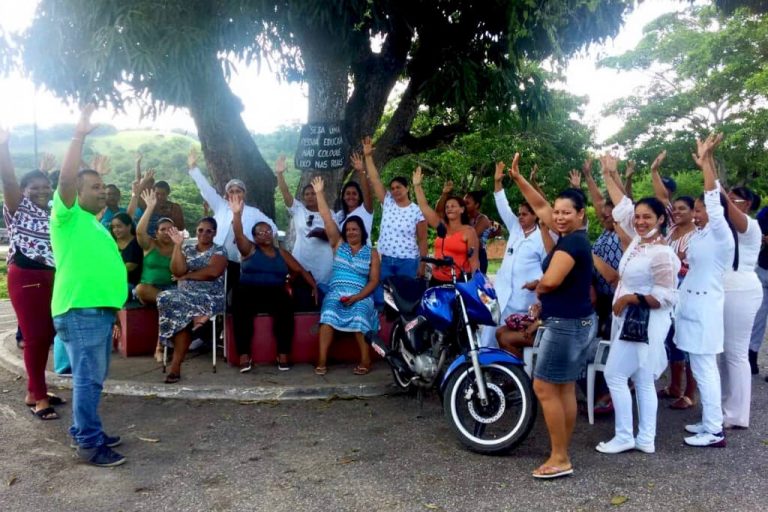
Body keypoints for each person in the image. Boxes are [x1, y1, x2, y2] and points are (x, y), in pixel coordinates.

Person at [507, 153, 595, 479]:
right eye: (556, 212)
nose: (557, 217)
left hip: (565, 326)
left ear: (580, 214)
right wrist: (518, 179)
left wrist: (539, 286)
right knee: (564, 388)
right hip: (576, 322)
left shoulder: (572, 245)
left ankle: (560, 457)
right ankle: (562, 451)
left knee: (544, 387)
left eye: (565, 213)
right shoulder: (570, 236)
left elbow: (552, 281)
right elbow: (541, 206)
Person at [50, 105, 128, 466]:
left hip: (95, 311)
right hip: (82, 310)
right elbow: (66, 182)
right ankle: (88, 443)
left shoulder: (91, 221)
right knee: (88, 380)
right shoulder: (66, 216)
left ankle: (86, 430)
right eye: (94, 187)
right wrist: (78, 136)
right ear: (75, 193)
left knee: (92, 379)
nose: (103, 191)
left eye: (103, 186)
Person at [592, 154, 680, 454]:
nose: (640, 221)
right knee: (642, 379)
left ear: (660, 220)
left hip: (641, 324)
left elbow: (666, 295)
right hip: (628, 320)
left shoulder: (662, 253)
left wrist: (630, 298)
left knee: (615, 375)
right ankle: (645, 439)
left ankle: (625, 435)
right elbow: (622, 206)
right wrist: (608, 173)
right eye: (638, 217)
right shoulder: (637, 242)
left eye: (647, 218)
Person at [674, 134, 735, 448]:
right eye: (694, 209)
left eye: (700, 210)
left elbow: (714, 198)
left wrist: (707, 161)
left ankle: (714, 431)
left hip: (706, 308)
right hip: (691, 307)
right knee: (699, 366)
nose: (697, 214)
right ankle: (709, 421)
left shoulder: (722, 234)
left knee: (706, 368)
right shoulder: (698, 236)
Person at [0, 126, 64, 421]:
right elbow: (10, 179)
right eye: (33, 187)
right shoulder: (17, 208)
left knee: (46, 335)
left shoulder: (51, 210)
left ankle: (33, 390)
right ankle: (39, 398)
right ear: (23, 193)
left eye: (44, 186)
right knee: (35, 337)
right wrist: (4, 147)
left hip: (52, 277)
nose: (41, 190)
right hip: (26, 275)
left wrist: (43, 173)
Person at [230, 196, 318, 372]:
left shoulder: (282, 253)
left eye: (268, 231)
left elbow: (299, 270)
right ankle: (244, 354)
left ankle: (283, 353)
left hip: (274, 291)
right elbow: (239, 234)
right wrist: (237, 214)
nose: (266, 234)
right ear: (254, 237)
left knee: (285, 307)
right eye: (261, 232)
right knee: (240, 308)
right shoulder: (250, 249)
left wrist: (313, 286)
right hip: (249, 290)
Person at [311, 176, 380, 376]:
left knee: (359, 314)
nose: (351, 232)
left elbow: (374, 280)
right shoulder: (338, 246)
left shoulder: (371, 252)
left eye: (355, 229)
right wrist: (319, 193)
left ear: (362, 232)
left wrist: (357, 297)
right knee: (328, 314)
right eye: (348, 229)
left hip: (361, 295)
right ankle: (322, 359)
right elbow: (326, 217)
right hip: (336, 293)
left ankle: (366, 360)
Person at [187, 147, 277, 293]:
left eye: (238, 191)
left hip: (241, 261)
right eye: (231, 191)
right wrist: (194, 168)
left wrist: (255, 243)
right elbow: (206, 189)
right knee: (212, 289)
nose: (235, 194)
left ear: (244, 194)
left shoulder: (254, 213)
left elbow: (271, 228)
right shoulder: (221, 206)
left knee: (235, 293)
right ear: (227, 194)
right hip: (215, 258)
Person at [650, 150, 699, 410]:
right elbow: (661, 197)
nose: (677, 212)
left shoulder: (697, 236)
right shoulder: (670, 231)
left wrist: (680, 262)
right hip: (669, 294)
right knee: (671, 339)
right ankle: (674, 387)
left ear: (694, 212)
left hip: (687, 296)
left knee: (686, 341)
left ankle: (691, 393)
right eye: (676, 209)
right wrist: (654, 171)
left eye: (683, 209)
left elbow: (694, 268)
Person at [157, 220, 227, 383]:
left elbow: (213, 272)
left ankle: (175, 366)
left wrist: (187, 276)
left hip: (210, 295)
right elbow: (176, 270)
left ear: (215, 233)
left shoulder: (219, 250)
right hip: (186, 295)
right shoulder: (187, 249)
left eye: (208, 231)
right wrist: (177, 246)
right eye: (200, 230)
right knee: (164, 297)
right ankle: (196, 318)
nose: (204, 234)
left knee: (180, 311)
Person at [489, 160, 548, 352]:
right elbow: (502, 205)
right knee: (490, 337)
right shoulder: (515, 227)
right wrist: (497, 182)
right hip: (503, 297)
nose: (520, 217)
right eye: (519, 213)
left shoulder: (542, 238)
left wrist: (537, 284)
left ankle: (514, 378)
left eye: (525, 214)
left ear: (536, 216)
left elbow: (548, 270)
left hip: (525, 301)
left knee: (512, 342)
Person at [719, 185, 762, 428]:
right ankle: (726, 407)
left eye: (736, 199)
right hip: (726, 291)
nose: (730, 202)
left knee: (736, 353)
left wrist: (709, 169)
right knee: (725, 354)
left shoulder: (749, 225)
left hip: (741, 291)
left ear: (746, 204)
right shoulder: (727, 228)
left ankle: (737, 414)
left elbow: (722, 200)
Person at [362, 136, 427, 286]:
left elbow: (423, 240)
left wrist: (422, 264)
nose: (395, 191)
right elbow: (375, 179)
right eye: (392, 188)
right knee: (385, 300)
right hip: (385, 260)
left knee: (405, 300)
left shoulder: (417, 211)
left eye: (399, 187)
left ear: (407, 188)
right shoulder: (388, 202)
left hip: (408, 262)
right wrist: (368, 156)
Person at [275, 155, 334, 293]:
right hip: (301, 262)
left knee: (321, 299)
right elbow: (286, 193)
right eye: (307, 194)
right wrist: (279, 174)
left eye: (314, 193)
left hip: (324, 264)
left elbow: (335, 236)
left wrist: (322, 233)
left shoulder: (329, 213)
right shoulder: (298, 210)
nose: (310, 196)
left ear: (320, 195)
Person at [412, 168, 480, 285]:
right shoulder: (441, 225)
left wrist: (477, 284)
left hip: (459, 281)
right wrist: (417, 186)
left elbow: (474, 261)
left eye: (453, 206)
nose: (449, 208)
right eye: (447, 207)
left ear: (462, 210)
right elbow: (424, 207)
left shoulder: (469, 231)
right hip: (436, 280)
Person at [135, 190, 176, 361]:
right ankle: (163, 346)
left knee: (167, 300)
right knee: (143, 289)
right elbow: (139, 232)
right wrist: (150, 207)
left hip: (171, 289)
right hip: (147, 288)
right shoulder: (149, 245)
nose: (166, 232)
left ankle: (160, 347)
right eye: (162, 229)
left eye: (169, 229)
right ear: (157, 232)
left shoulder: (178, 247)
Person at [437, 183, 494, 273]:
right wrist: (444, 194)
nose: (464, 205)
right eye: (463, 202)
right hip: (463, 255)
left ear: (476, 205)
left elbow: (471, 236)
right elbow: (439, 212)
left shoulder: (482, 219)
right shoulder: (464, 218)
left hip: (478, 257)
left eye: (467, 203)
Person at [335, 151, 374, 237]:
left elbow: (367, 191)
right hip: (344, 250)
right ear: (343, 197)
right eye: (348, 194)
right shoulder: (339, 215)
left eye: (354, 193)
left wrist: (361, 171)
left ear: (360, 197)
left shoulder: (366, 209)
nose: (351, 196)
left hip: (363, 250)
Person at [748, 206, 768, 375]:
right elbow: (757, 231)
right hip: (763, 269)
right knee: (758, 318)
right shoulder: (765, 212)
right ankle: (751, 358)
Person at [109, 212, 143, 293]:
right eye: (113, 227)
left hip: (130, 283)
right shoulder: (111, 242)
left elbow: (130, 266)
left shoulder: (136, 243)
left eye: (119, 226)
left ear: (129, 226)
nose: (115, 230)